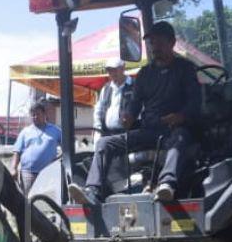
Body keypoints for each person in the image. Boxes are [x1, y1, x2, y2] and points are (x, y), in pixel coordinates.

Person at [72, 21, 200, 205]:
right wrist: (129, 116)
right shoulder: (145, 74)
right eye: (152, 43)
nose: (155, 48)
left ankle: (167, 184)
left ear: (171, 42)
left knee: (180, 138)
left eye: (159, 43)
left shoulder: (185, 68)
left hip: (174, 130)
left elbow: (195, 102)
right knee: (104, 143)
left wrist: (181, 116)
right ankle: (92, 191)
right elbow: (135, 104)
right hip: (148, 131)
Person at [11, 102, 63, 192]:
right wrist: (13, 168)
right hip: (28, 174)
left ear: (44, 114)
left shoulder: (55, 130)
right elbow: (17, 152)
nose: (35, 117)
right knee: (28, 202)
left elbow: (67, 148)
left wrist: (58, 159)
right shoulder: (25, 132)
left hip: (48, 174)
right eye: (33, 115)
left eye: (38, 114)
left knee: (47, 201)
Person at [92, 58, 132, 139]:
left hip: (129, 135)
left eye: (114, 70)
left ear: (123, 68)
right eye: (109, 70)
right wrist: (98, 131)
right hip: (107, 134)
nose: (112, 73)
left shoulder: (135, 86)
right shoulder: (106, 88)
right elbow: (98, 110)